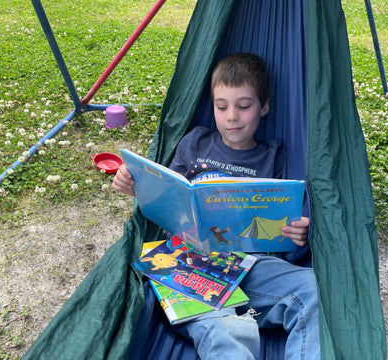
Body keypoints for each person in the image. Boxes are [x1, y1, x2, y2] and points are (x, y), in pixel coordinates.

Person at [113, 53, 320, 360]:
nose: (231, 116)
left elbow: (287, 234)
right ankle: (229, 322)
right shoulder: (194, 143)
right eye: (221, 106)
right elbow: (165, 199)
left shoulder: (275, 156)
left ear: (264, 107)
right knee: (226, 331)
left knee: (314, 289)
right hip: (190, 266)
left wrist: (296, 235)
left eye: (244, 106)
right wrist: (136, 185)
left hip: (252, 267)